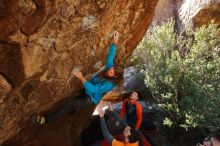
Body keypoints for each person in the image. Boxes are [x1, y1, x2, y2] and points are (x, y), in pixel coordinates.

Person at [31, 32, 123, 125]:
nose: (108, 71)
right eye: (110, 69)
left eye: (111, 72)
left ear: (115, 77)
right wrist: (115, 42)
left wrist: (81, 77)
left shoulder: (109, 84)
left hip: (90, 98)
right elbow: (110, 58)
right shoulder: (110, 69)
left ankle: (45, 119)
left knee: (69, 105)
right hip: (86, 91)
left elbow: (94, 89)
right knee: (70, 102)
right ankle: (71, 111)